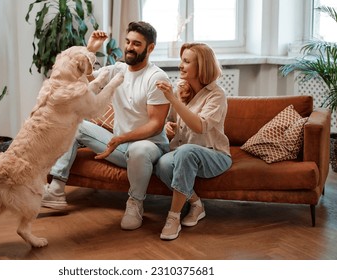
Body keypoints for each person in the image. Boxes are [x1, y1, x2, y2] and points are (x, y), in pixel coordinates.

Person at [42, 21, 171, 231]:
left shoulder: (156, 78)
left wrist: (120, 138)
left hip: (149, 147)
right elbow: (90, 77)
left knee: (139, 149)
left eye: (137, 44)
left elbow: (156, 125)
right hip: (120, 148)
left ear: (151, 48)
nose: (129, 47)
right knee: (77, 124)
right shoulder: (117, 69)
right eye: (128, 42)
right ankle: (56, 189)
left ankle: (135, 203)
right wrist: (91, 48)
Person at [155, 43, 232, 240]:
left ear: (202, 67)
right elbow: (171, 123)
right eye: (182, 60)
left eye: (187, 61)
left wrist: (173, 99)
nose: (181, 65)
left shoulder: (217, 95)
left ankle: (173, 217)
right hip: (183, 153)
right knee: (162, 163)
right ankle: (197, 204)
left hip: (214, 155)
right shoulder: (182, 90)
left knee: (186, 151)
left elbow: (200, 126)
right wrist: (167, 128)